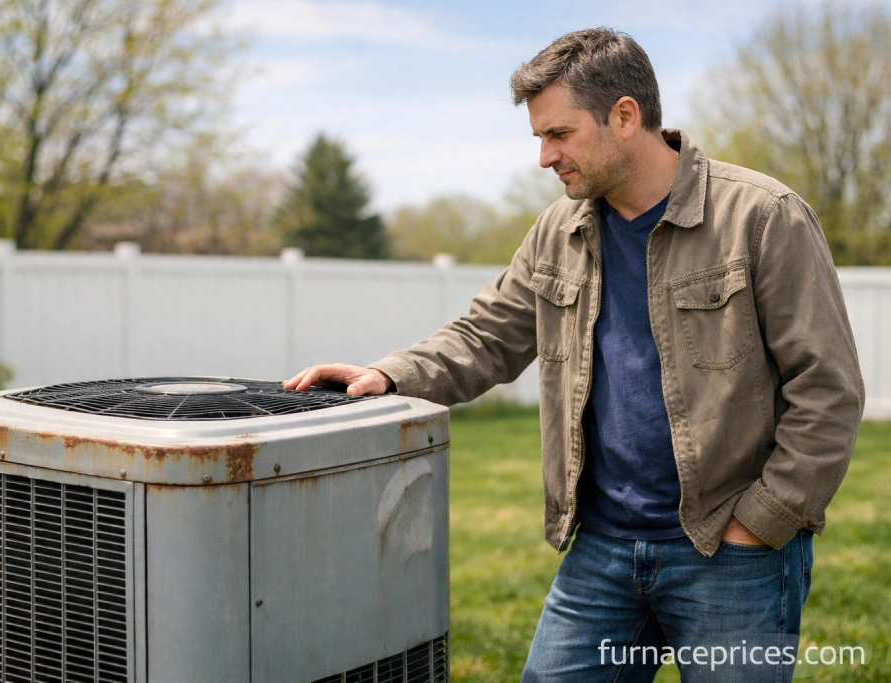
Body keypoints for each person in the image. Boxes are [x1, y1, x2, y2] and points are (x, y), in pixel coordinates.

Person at [284, 27, 864, 683]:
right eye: (539, 137)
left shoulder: (763, 216)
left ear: (625, 116)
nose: (544, 157)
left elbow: (828, 388)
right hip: (603, 548)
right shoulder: (559, 230)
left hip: (730, 549)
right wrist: (389, 374)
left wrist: (761, 522)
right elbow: (488, 334)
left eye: (559, 134)